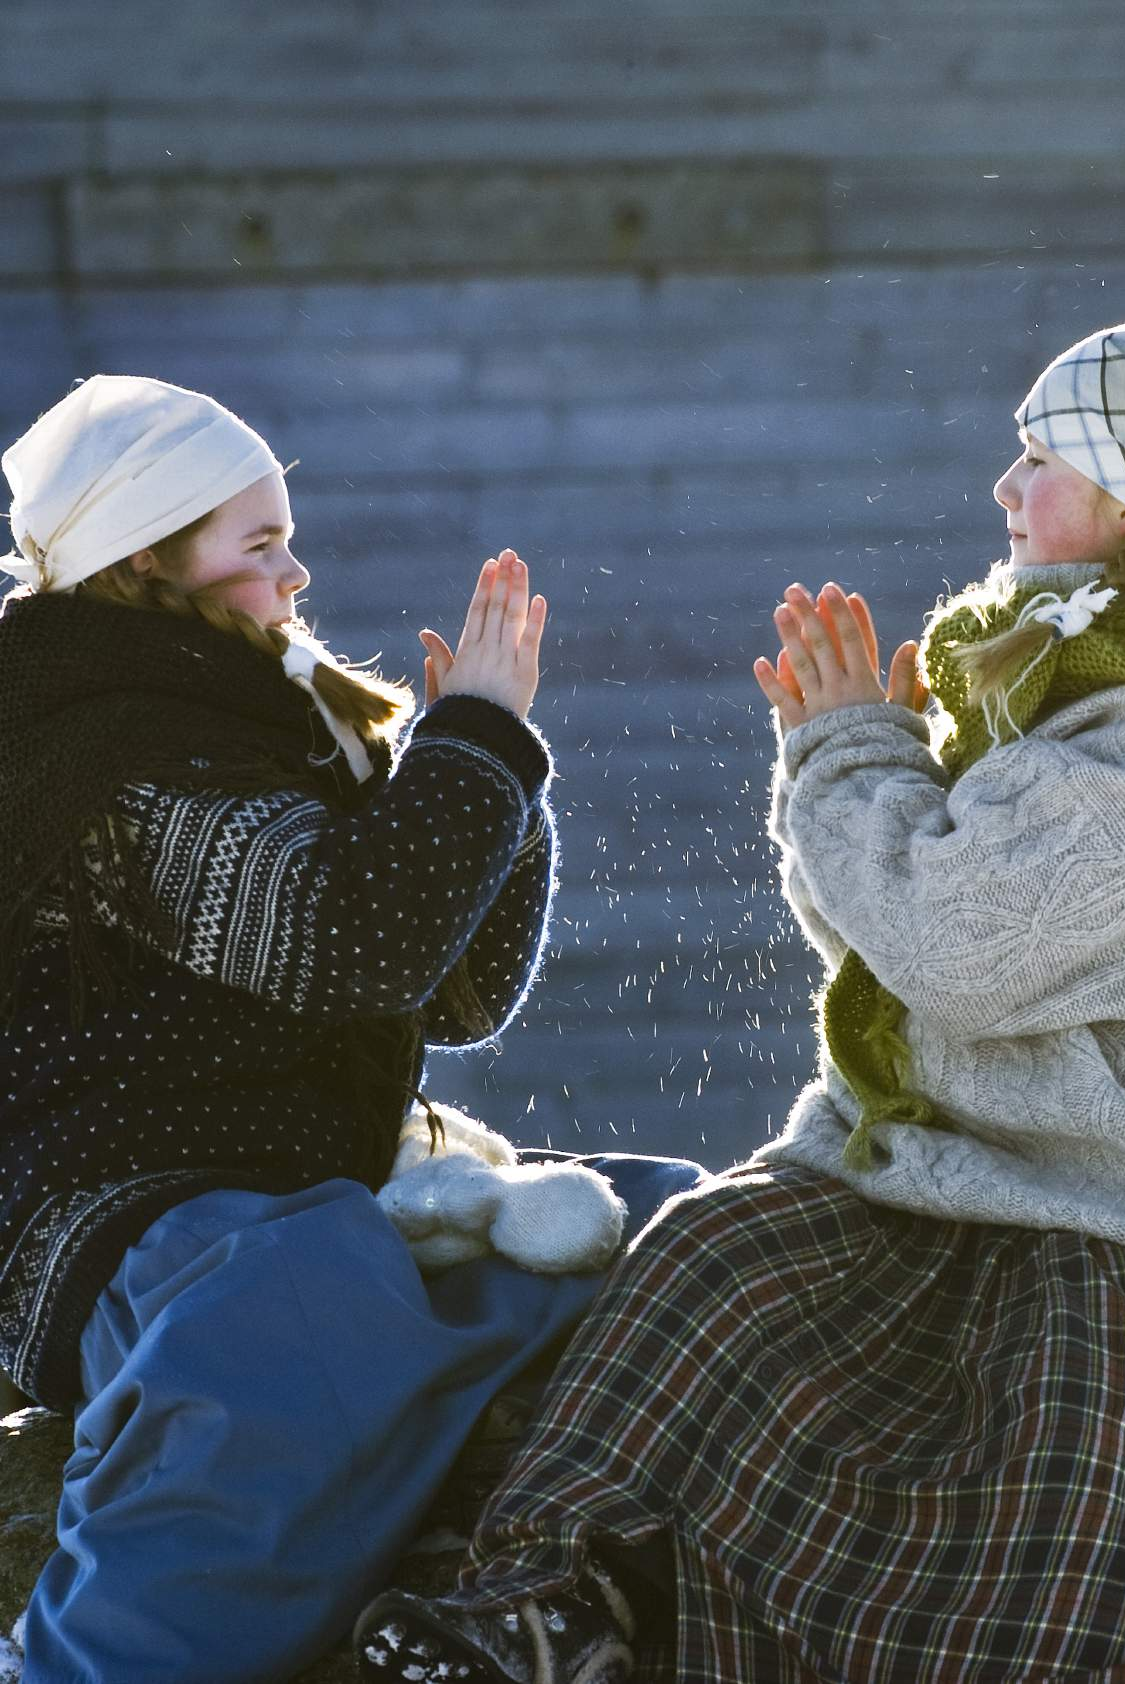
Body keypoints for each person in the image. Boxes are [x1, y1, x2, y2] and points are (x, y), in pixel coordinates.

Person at [356, 306, 1125, 1683]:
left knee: (1054, 1431)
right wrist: (854, 762)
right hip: (932, 1162)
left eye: (1037, 454)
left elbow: (949, 946)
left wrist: (848, 750)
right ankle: (549, 1609)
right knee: (712, 1264)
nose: (1003, 488)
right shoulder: (1058, 688)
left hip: (1107, 1209)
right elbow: (878, 941)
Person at [0, 374, 703, 1683]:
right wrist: (474, 743)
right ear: (149, 558)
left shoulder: (263, 717)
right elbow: (353, 944)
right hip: (141, 1224)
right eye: (258, 546)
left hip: (305, 1194)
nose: (294, 570)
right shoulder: (101, 746)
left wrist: (487, 758)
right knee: (298, 1314)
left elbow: (452, 993)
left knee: (671, 1224)